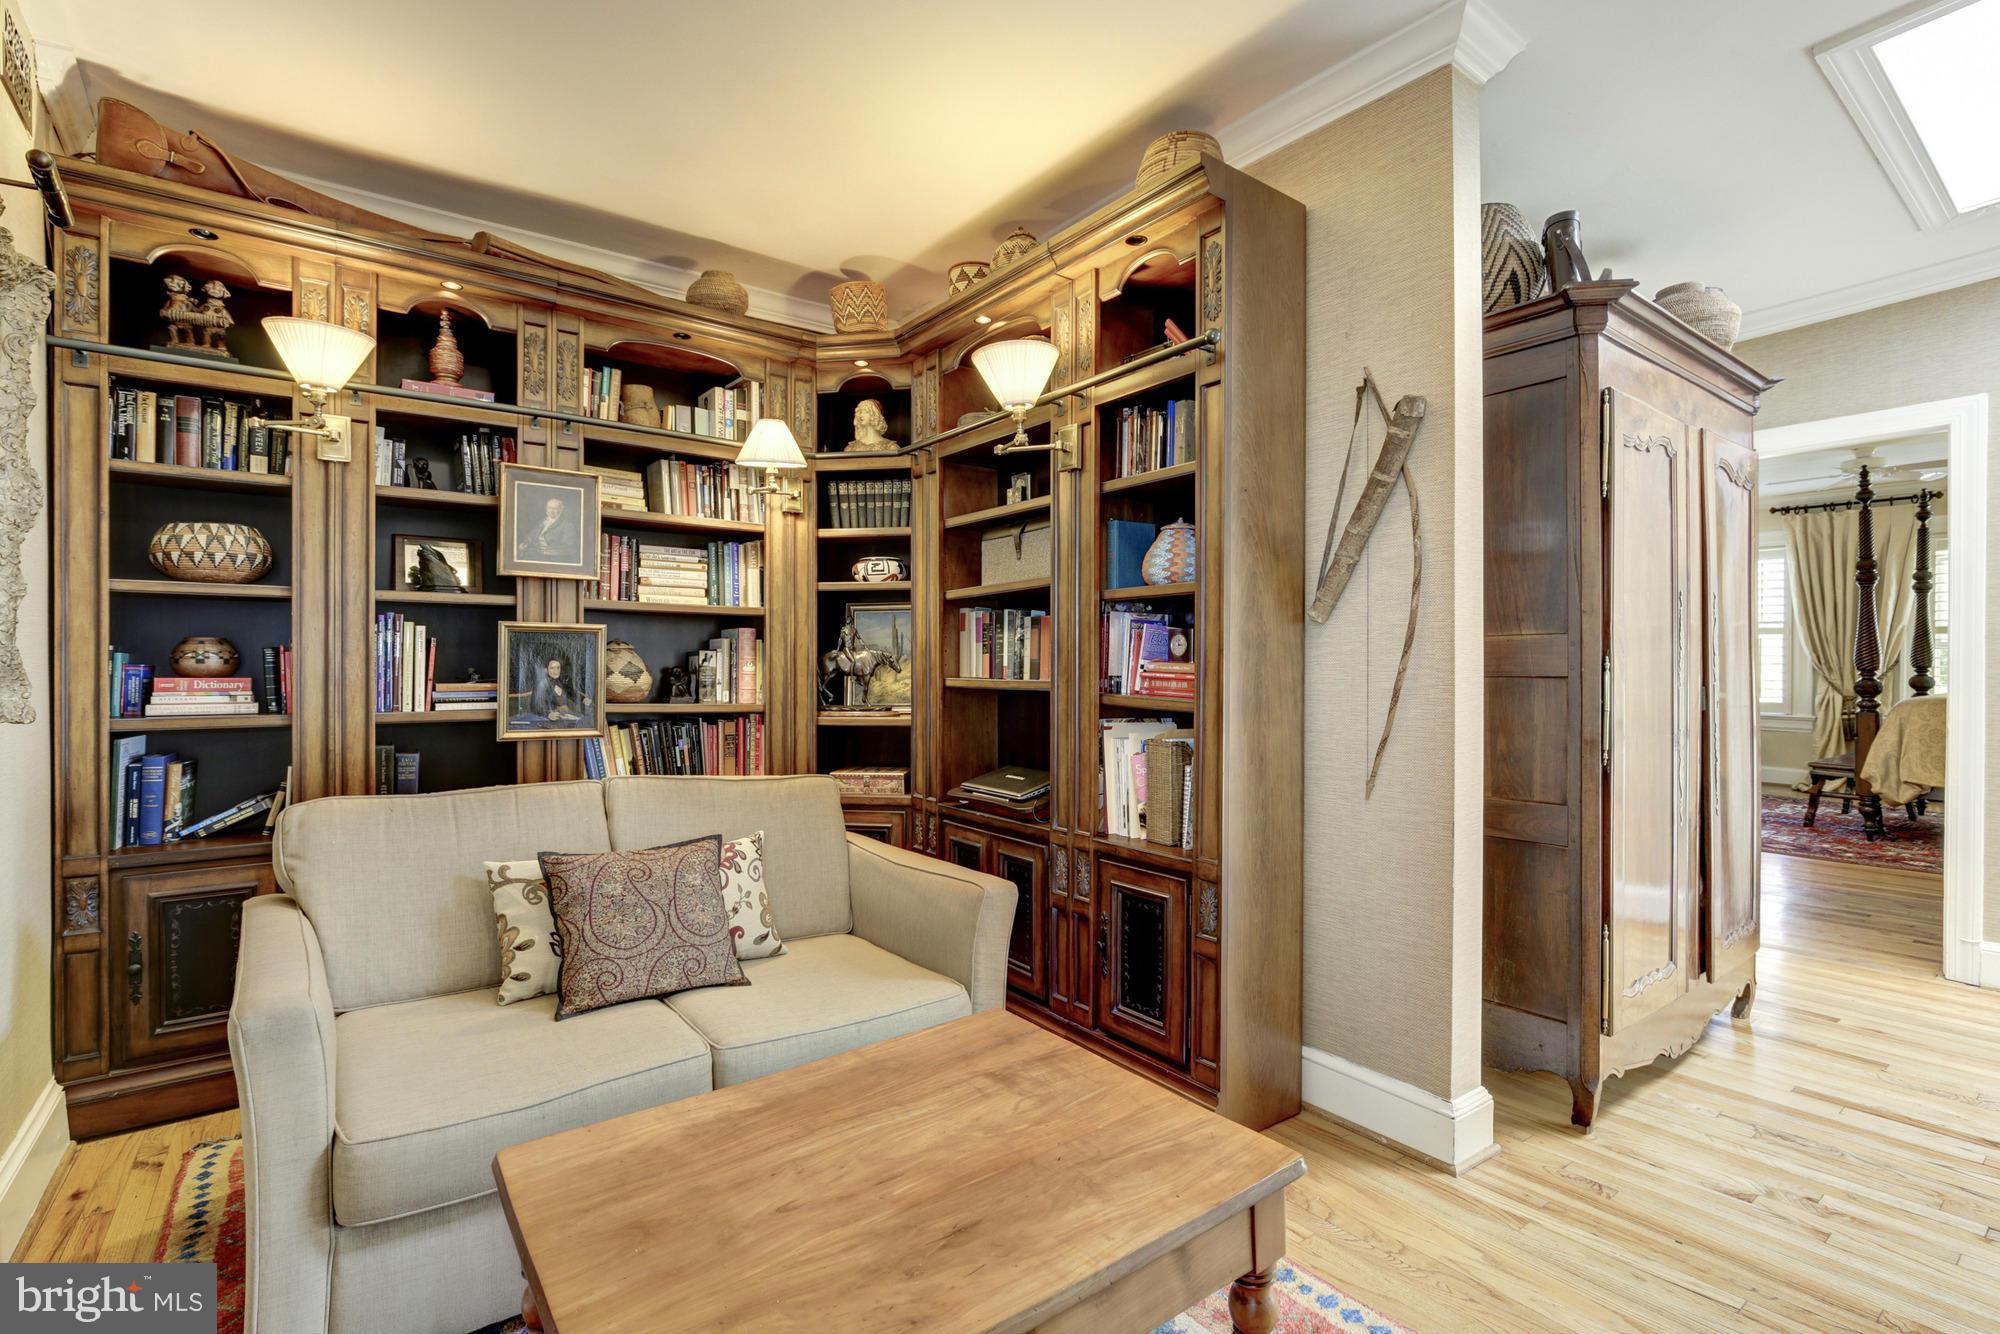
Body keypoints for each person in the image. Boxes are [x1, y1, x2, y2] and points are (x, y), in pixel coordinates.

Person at [522, 492, 578, 563]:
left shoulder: (568, 525)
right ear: (546, 509)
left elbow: (568, 546)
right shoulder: (542, 522)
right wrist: (525, 543)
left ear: (561, 510)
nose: (551, 511)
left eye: (555, 508)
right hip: (536, 553)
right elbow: (531, 535)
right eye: (550, 508)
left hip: (553, 558)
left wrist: (547, 549)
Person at [528, 655, 582, 722]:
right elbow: (536, 706)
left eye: (558, 668)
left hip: (565, 717)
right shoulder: (542, 684)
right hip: (548, 720)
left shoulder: (562, 682)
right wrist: (548, 714)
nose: (555, 671)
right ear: (546, 670)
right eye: (552, 668)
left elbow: (573, 693)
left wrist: (584, 699)